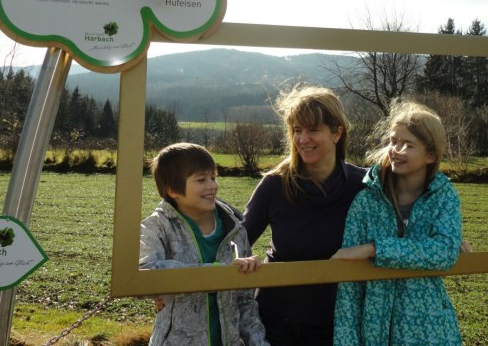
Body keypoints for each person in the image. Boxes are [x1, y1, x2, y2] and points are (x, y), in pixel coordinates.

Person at [332, 100, 463, 345]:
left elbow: (444, 252)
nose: (396, 150)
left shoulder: (443, 196)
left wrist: (375, 249)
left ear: (431, 155)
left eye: (408, 145)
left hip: (430, 331)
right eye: (393, 141)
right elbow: (348, 283)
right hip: (375, 332)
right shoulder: (366, 201)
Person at [243, 85, 366, 346]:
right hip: (275, 320)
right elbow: (236, 241)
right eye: (297, 130)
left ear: (337, 133)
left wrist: (443, 239)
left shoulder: (363, 185)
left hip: (337, 323)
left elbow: (399, 223)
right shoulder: (274, 185)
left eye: (313, 129)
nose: (303, 139)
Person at [139, 143, 269, 346]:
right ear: (172, 190)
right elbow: (144, 275)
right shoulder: (156, 227)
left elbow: (245, 301)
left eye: (213, 178)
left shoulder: (235, 229)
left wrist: (258, 342)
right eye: (201, 180)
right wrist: (219, 272)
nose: (212, 185)